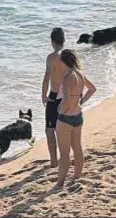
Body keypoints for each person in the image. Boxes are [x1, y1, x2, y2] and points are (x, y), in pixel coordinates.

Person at [54, 49, 96, 190]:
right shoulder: (80, 74)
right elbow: (92, 89)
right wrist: (81, 101)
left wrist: (61, 110)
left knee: (64, 153)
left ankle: (60, 183)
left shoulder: (67, 78)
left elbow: (65, 100)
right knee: (77, 148)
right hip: (78, 116)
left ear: (63, 61)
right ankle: (77, 176)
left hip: (65, 119)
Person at [41, 27, 67, 168]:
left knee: (50, 129)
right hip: (68, 95)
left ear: (52, 41)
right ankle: (65, 157)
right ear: (64, 41)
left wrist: (43, 95)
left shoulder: (51, 58)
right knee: (63, 128)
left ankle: (53, 161)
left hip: (55, 95)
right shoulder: (70, 55)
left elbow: (47, 77)